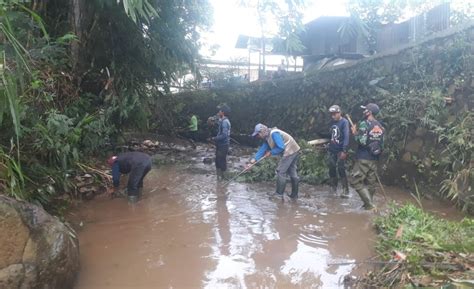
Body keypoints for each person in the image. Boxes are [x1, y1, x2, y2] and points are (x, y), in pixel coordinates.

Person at [250, 124, 301, 199]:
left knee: (280, 171)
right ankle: (294, 195)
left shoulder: (274, 134)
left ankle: (278, 195)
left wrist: (271, 152)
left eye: (258, 134)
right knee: (292, 171)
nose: (257, 137)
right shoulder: (267, 137)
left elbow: (281, 147)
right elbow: (263, 149)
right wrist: (253, 160)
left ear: (262, 131)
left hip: (289, 151)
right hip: (294, 150)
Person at [350, 103, 385, 210]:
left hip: (363, 158)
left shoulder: (364, 124)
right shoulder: (380, 126)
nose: (363, 111)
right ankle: (367, 205)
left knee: (355, 181)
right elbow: (382, 144)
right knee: (371, 183)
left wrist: (355, 133)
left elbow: (362, 141)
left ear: (369, 112)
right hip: (374, 158)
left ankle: (369, 205)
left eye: (365, 110)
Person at [327, 105, 350, 198]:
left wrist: (344, 150)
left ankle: (345, 189)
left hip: (341, 150)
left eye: (335, 114)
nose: (333, 116)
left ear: (339, 113)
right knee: (331, 167)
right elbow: (331, 135)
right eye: (331, 114)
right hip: (332, 149)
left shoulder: (344, 122)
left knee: (341, 168)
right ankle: (333, 188)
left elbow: (346, 136)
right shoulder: (332, 122)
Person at [211, 104, 231, 180]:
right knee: (218, 161)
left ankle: (224, 179)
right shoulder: (222, 120)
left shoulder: (225, 122)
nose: (218, 112)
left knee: (221, 161)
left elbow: (224, 135)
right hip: (221, 145)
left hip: (223, 145)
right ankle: (219, 179)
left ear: (222, 112)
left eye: (219, 111)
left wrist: (214, 138)